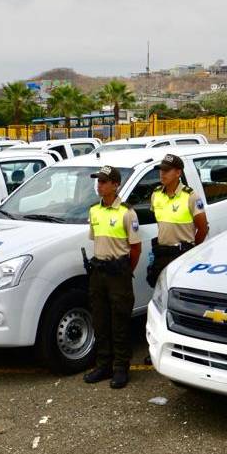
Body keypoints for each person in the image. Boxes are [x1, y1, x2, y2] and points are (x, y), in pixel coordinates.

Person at [143, 153, 208, 364]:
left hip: (182, 253)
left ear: (178, 173)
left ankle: (187, 346)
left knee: (183, 302)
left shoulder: (190, 196)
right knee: (161, 302)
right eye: (161, 170)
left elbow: (202, 227)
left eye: (167, 170)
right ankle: (157, 345)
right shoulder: (156, 195)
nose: (162, 174)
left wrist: (191, 251)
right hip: (162, 253)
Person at [83, 165, 141, 389]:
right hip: (99, 272)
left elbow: (135, 248)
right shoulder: (94, 211)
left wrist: (125, 271)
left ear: (115, 185)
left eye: (104, 181)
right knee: (100, 320)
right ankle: (103, 365)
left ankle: (120, 368)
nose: (100, 185)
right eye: (98, 181)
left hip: (119, 274)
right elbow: (96, 241)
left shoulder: (127, 212)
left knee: (120, 322)